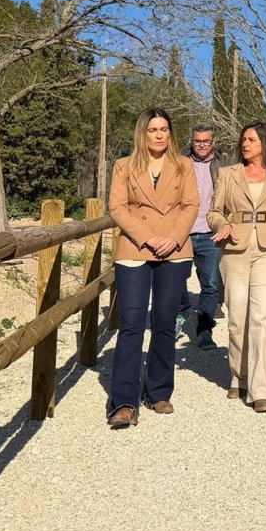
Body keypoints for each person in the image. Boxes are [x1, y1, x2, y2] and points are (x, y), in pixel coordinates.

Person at [107, 108, 199, 428]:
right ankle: (124, 401)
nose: (159, 135)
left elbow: (191, 205)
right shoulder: (124, 166)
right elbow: (118, 208)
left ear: (170, 133)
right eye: (152, 130)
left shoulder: (184, 165)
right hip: (135, 248)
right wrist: (148, 237)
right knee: (132, 323)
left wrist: (172, 238)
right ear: (142, 133)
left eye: (164, 129)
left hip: (174, 249)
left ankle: (158, 392)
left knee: (164, 322)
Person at [208, 121, 266, 413]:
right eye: (244, 140)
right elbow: (213, 212)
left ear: (264, 144)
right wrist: (223, 224)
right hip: (234, 249)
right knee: (237, 319)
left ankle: (261, 389)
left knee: (262, 317)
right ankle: (239, 376)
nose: (245, 144)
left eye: (252, 140)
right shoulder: (228, 174)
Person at [180, 124, 224, 350]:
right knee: (176, 279)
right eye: (198, 141)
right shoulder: (180, 163)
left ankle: (205, 330)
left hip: (210, 232)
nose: (202, 145)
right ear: (192, 141)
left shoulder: (223, 165)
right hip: (183, 232)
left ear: (213, 142)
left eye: (206, 141)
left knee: (211, 284)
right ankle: (180, 314)